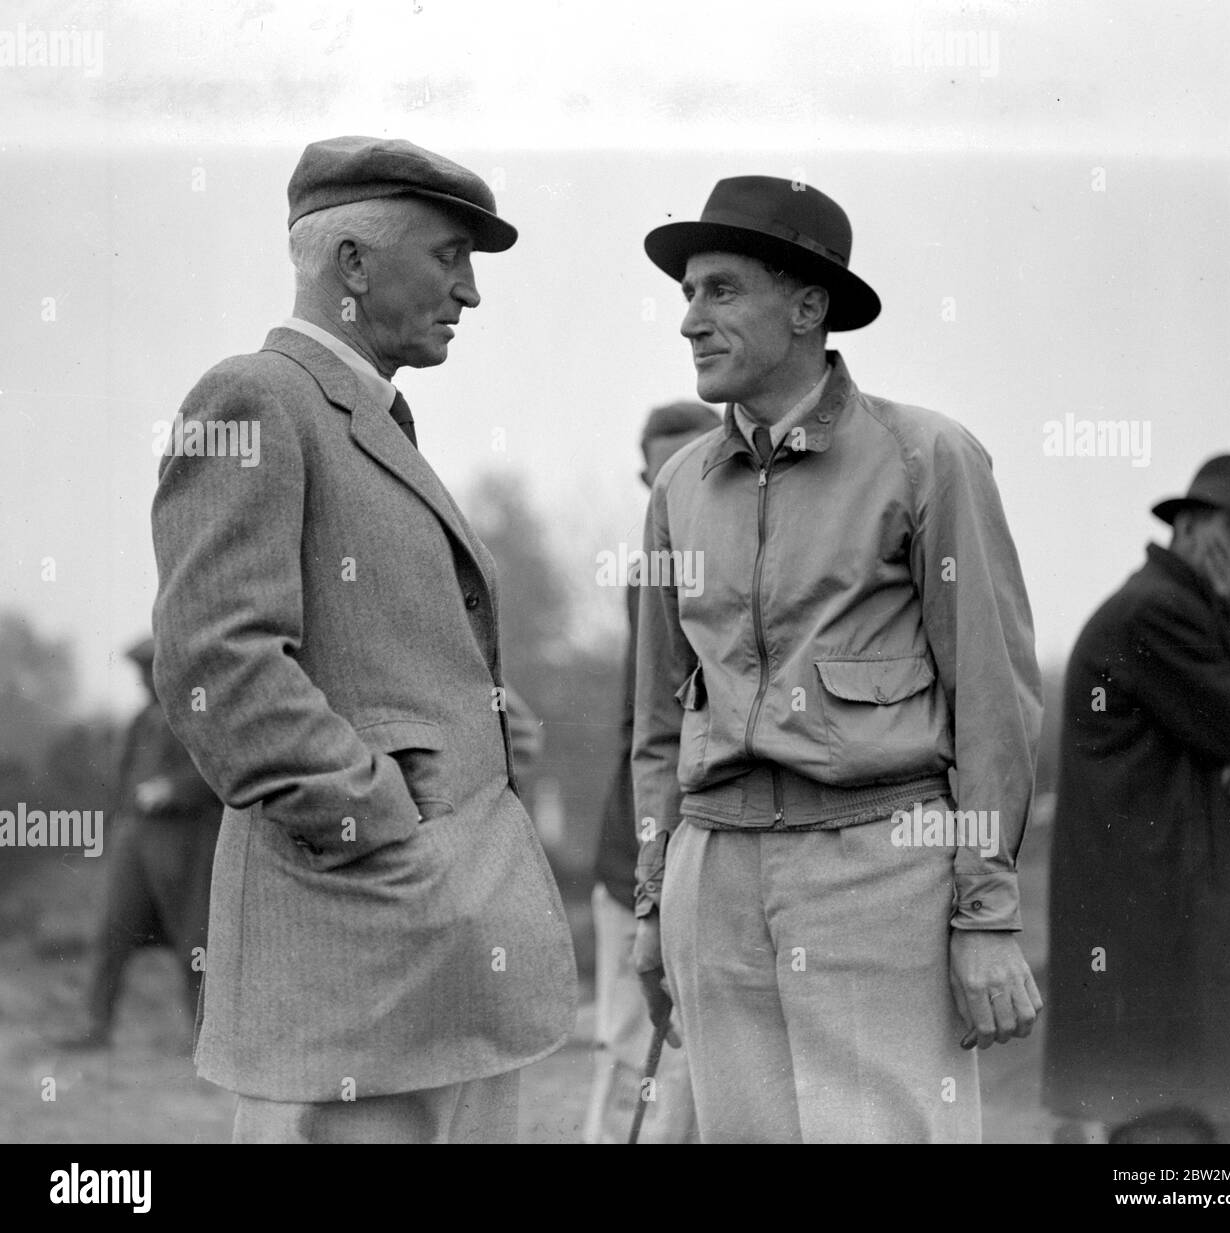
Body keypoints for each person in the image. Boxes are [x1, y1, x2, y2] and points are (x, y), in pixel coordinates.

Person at [150, 136, 577, 1144]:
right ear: (350, 264)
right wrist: (382, 818)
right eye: (446, 256)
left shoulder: (367, 416)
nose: (468, 292)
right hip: (348, 963)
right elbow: (220, 666)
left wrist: (474, 725)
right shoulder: (254, 397)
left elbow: (369, 662)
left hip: (433, 972)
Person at [631, 175, 1043, 1143]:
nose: (691, 319)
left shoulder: (926, 458)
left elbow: (993, 701)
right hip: (713, 877)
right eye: (686, 294)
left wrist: (984, 915)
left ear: (807, 306)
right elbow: (658, 723)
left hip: (879, 869)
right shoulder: (678, 488)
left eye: (721, 290)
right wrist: (656, 903)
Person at [1044, 454, 1230, 1143]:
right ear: (1187, 525)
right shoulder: (1160, 613)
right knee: (1168, 1150)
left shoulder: (1181, 611)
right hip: (1153, 951)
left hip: (1166, 938)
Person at [583, 401, 717, 1145]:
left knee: (708, 1044)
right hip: (642, 836)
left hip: (722, 837)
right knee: (628, 1031)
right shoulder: (653, 573)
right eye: (661, 471)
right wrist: (645, 860)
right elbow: (648, 727)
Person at [63, 635, 222, 1048]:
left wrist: (172, 788)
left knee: (195, 944)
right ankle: (93, 1029)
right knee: (110, 935)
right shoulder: (139, 722)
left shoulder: (199, 715)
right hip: (133, 842)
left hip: (184, 846)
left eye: (147, 672)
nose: (141, 682)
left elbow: (220, 775)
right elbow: (121, 781)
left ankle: (206, 1040)